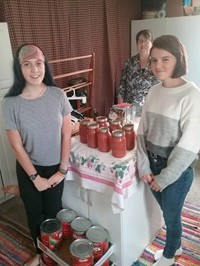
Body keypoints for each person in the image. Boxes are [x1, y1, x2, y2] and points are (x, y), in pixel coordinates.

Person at [1, 44, 73, 266]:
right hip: (28, 169)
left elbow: (66, 134)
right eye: (27, 64)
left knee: (54, 211)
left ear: (45, 65)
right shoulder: (10, 103)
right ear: (19, 68)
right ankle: (41, 254)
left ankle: (55, 252)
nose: (34, 69)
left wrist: (62, 169)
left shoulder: (58, 95)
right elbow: (16, 146)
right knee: (34, 213)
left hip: (55, 167)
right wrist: (34, 178)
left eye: (39, 63)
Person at [136, 35, 200, 266]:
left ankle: (171, 255)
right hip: (152, 167)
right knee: (168, 213)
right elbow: (142, 132)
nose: (158, 66)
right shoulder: (153, 91)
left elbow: (190, 145)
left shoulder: (192, 95)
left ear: (179, 59)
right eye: (153, 60)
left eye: (165, 59)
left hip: (176, 171)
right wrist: (143, 165)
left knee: (171, 218)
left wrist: (164, 178)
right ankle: (178, 245)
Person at [117, 29, 158, 115]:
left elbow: (159, 89)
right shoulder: (129, 62)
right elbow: (122, 85)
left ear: (151, 44)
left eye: (146, 41)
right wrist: (120, 106)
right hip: (129, 109)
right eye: (140, 41)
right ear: (137, 44)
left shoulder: (156, 63)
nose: (142, 44)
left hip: (149, 109)